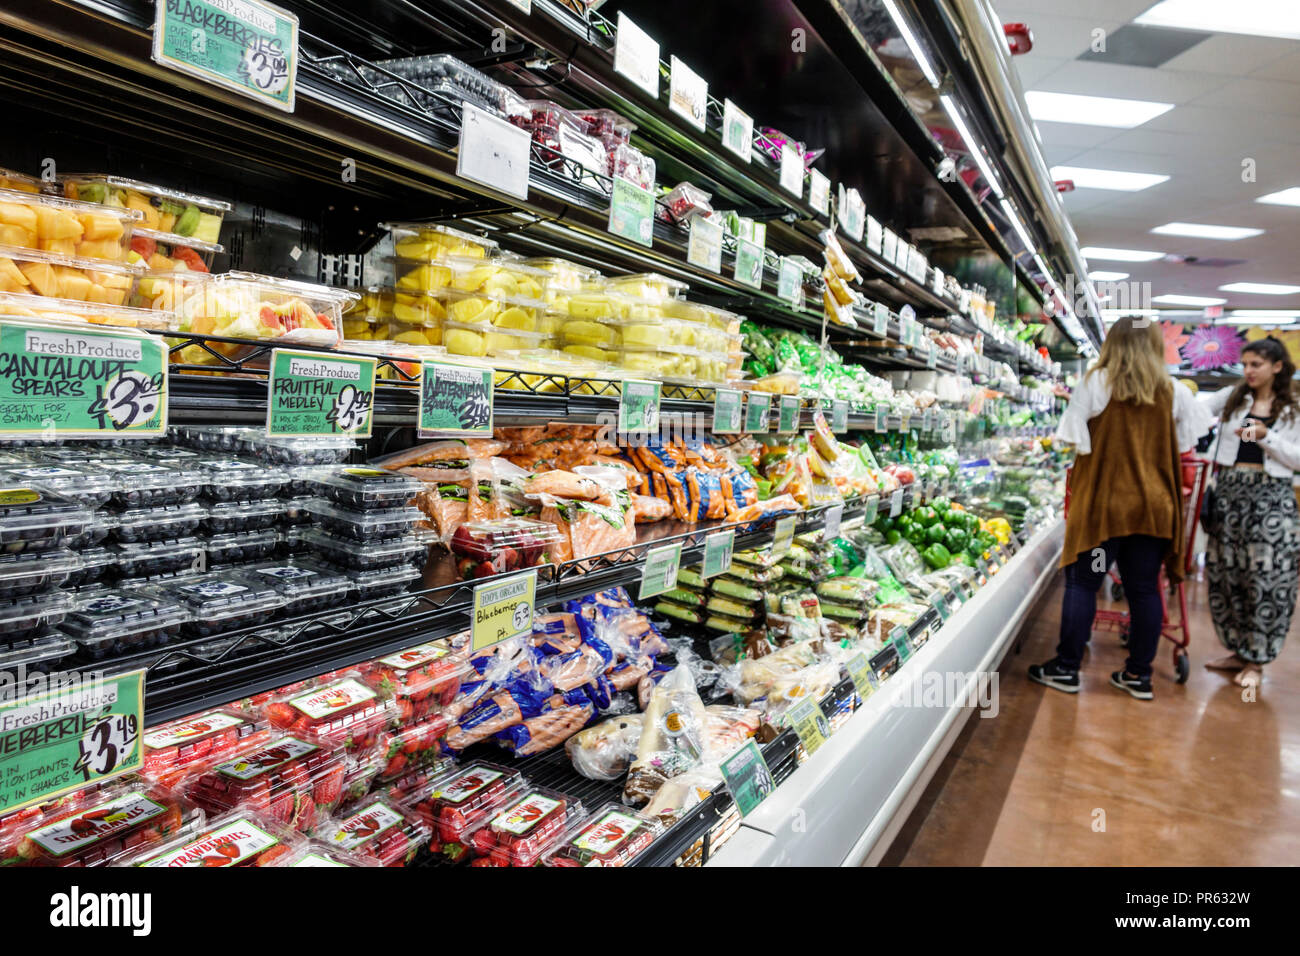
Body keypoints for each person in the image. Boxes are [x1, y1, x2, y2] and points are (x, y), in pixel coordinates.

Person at [1029, 317, 1206, 699]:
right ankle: (1138, 676)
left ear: (1114, 343)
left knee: (1085, 582)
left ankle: (1066, 668)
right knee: (1144, 588)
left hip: (1104, 513)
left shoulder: (1096, 383)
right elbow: (1182, 450)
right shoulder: (1176, 393)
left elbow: (1076, 440)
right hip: (1153, 511)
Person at [1198, 336, 1300, 689]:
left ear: (1277, 366)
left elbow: (1297, 458)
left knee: (1267, 580)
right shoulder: (1233, 397)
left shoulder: (1293, 407)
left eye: (1256, 364)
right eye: (1244, 364)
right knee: (1227, 575)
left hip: (1271, 501)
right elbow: (1193, 414)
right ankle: (1238, 651)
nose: (1248, 371)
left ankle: (1257, 660)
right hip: (1228, 497)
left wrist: (1265, 435)